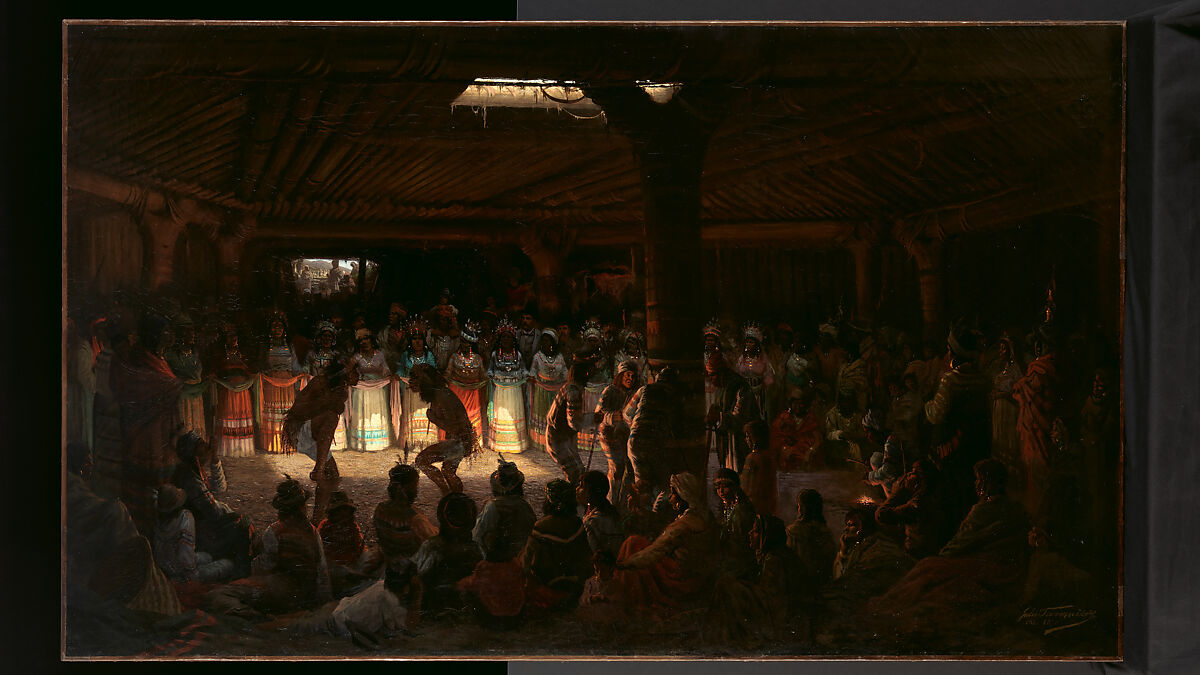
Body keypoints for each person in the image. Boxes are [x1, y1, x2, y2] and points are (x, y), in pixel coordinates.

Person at [207, 477, 331, 620]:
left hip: (282, 591)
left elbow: (263, 567)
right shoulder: (313, 532)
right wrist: (323, 603)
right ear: (302, 508)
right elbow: (322, 571)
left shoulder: (275, 531)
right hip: (307, 593)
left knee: (219, 595)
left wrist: (250, 560)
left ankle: (257, 618)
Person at [111, 309, 183, 534]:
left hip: (161, 433)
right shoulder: (138, 359)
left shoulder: (159, 359)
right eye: (165, 331)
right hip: (143, 435)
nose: (169, 336)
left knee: (163, 487)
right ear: (154, 335)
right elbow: (133, 385)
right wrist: (171, 386)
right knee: (144, 487)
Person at [612, 472, 717, 611]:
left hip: (680, 577)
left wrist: (625, 564)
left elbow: (654, 551)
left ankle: (626, 603)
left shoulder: (682, 525)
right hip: (694, 572)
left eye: (673, 494)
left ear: (683, 496)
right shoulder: (702, 516)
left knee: (633, 544)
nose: (670, 498)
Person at [702, 514, 805, 649]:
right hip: (771, 611)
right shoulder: (771, 556)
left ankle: (717, 636)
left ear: (767, 536)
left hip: (775, 619)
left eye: (756, 531)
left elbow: (771, 601)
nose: (750, 533)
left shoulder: (773, 560)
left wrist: (742, 589)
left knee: (726, 585)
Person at [925, 322, 992, 526]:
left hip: (953, 447)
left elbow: (935, 415)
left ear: (955, 352)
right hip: (978, 444)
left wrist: (927, 404)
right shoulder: (983, 379)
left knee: (952, 494)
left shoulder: (951, 380)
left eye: (949, 349)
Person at [283, 357, 356, 524]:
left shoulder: (340, 390)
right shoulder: (320, 383)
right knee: (331, 417)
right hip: (299, 430)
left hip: (312, 432)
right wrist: (326, 402)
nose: (357, 375)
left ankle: (317, 521)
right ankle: (319, 468)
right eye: (353, 371)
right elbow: (297, 410)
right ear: (343, 374)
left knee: (333, 475)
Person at [172, 432, 253, 576]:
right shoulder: (189, 477)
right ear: (193, 452)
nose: (207, 447)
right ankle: (241, 574)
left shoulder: (194, 469)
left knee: (240, 524)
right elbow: (212, 510)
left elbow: (220, 488)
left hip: (207, 521)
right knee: (242, 529)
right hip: (201, 531)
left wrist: (214, 457)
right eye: (202, 445)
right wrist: (234, 516)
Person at [1013, 323, 1064, 520]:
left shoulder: (1039, 372)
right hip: (1037, 431)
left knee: (1038, 476)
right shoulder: (1049, 368)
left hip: (1036, 433)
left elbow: (1021, 392)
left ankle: (1038, 521)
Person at [522, 480, 595, 612]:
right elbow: (585, 555)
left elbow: (526, 561)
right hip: (575, 583)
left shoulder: (541, 526)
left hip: (547, 583)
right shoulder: (576, 523)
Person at [411, 363, 480, 495]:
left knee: (422, 460)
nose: (413, 385)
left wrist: (435, 419)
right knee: (448, 471)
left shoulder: (442, 396)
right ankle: (454, 496)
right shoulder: (439, 394)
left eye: (416, 381)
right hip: (460, 440)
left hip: (460, 441)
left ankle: (448, 493)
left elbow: (455, 427)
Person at [413, 492, 484, 619]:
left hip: (434, 611)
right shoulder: (476, 549)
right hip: (463, 613)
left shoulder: (431, 547)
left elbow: (419, 575)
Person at [624, 367, 687, 503]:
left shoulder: (644, 389)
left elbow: (627, 413)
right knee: (664, 485)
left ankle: (640, 510)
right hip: (655, 444)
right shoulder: (675, 397)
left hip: (634, 442)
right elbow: (678, 425)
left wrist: (635, 427)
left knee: (642, 483)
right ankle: (655, 512)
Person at [153, 485, 237, 583]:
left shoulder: (158, 519)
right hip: (182, 571)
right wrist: (192, 574)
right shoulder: (185, 517)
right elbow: (185, 554)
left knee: (207, 556)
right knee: (228, 564)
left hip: (165, 565)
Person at [874, 459, 954, 559]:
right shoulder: (938, 492)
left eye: (914, 472)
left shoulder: (918, 503)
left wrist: (901, 491)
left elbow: (881, 515)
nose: (908, 475)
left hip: (920, 554)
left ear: (921, 479)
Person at [472, 460, 537, 565]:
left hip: (497, 561)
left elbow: (477, 536)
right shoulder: (524, 505)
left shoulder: (493, 506)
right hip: (520, 558)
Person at [373, 462, 438, 562]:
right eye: (415, 486)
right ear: (410, 488)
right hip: (408, 569)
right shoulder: (415, 519)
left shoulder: (380, 509)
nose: (417, 490)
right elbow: (434, 541)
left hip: (389, 562)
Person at [706, 351, 759, 472]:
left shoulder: (740, 386)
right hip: (729, 443)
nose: (711, 379)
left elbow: (740, 417)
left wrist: (718, 417)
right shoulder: (723, 388)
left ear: (722, 373)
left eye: (713, 375)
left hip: (741, 442)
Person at [257, 312, 302, 454]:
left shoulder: (290, 346)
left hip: (288, 384)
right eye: (274, 326)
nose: (277, 329)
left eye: (280, 326)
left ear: (284, 329)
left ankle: (288, 443)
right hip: (271, 383)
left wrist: (298, 378)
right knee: (273, 414)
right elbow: (261, 364)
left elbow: (296, 366)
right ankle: (273, 445)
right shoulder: (265, 347)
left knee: (287, 414)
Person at [596, 360, 640, 504]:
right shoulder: (610, 391)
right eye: (627, 375)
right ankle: (611, 501)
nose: (630, 379)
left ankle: (622, 502)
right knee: (616, 467)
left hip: (626, 435)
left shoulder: (635, 393)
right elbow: (598, 414)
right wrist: (613, 417)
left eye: (633, 376)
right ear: (620, 375)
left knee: (629, 468)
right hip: (609, 434)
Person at [301, 320, 348, 452]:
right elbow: (306, 369)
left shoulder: (336, 356)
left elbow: (342, 371)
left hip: (331, 389)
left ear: (333, 339)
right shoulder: (312, 355)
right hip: (316, 389)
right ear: (319, 338)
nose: (326, 339)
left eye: (329, 336)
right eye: (324, 336)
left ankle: (334, 442)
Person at [210, 325, 256, 458]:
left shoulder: (243, 356)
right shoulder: (221, 357)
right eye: (230, 337)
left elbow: (249, 372)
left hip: (242, 393)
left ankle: (242, 448)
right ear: (225, 340)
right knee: (229, 417)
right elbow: (215, 373)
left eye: (235, 337)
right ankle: (230, 448)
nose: (234, 339)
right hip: (228, 392)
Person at [784, 489, 837, 604]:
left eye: (799, 505)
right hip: (821, 589)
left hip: (800, 589)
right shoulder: (825, 532)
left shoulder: (793, 532)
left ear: (802, 508)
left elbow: (788, 563)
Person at [544, 359, 593, 485]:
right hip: (558, 437)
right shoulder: (573, 391)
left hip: (562, 436)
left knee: (578, 471)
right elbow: (573, 421)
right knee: (575, 473)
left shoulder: (570, 387)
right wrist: (593, 418)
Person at [91, 318, 124, 499]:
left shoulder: (103, 354)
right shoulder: (114, 358)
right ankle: (110, 492)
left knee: (104, 447)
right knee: (112, 448)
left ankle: (104, 488)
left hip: (101, 403)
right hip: (111, 405)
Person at [485, 317, 529, 454]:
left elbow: (524, 371)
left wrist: (529, 376)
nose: (506, 340)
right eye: (503, 337)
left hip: (514, 390)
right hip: (500, 391)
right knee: (501, 414)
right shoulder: (495, 355)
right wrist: (492, 376)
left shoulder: (518, 355)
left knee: (514, 415)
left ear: (513, 339)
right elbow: (490, 371)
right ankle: (500, 443)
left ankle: (515, 443)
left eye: (508, 337)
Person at [347, 328, 393, 452]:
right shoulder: (356, 357)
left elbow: (386, 370)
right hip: (361, 391)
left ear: (371, 340)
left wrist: (388, 375)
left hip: (377, 390)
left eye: (366, 338)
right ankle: (362, 444)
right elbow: (348, 370)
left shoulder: (380, 355)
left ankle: (377, 444)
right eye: (361, 340)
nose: (364, 342)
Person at [164, 314, 207, 442]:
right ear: (181, 334)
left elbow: (196, 373)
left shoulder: (194, 353)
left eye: (193, 331)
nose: (192, 335)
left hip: (195, 396)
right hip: (181, 396)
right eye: (189, 332)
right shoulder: (170, 354)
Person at [445, 320, 487, 441]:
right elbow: (448, 373)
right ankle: (456, 441)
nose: (465, 345)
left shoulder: (478, 359)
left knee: (471, 415)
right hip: (457, 391)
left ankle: (473, 442)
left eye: (468, 343)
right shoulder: (454, 357)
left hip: (473, 393)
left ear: (472, 344)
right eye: (463, 342)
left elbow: (483, 375)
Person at [714, 467, 759, 580]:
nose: (721, 491)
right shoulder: (726, 506)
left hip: (740, 558)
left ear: (735, 487)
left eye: (725, 486)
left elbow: (740, 538)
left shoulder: (742, 509)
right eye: (718, 487)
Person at [528, 328, 568, 447]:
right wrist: (532, 378)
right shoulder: (538, 357)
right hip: (542, 390)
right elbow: (533, 371)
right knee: (543, 415)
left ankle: (554, 441)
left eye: (548, 341)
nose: (545, 343)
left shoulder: (559, 357)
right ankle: (542, 442)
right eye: (543, 340)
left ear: (553, 343)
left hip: (556, 391)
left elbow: (564, 371)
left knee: (555, 416)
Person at [577, 470, 625, 558]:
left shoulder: (591, 522)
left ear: (590, 492)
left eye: (581, 486)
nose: (577, 489)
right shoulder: (612, 512)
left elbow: (594, 552)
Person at [734, 322, 775, 421]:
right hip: (744, 393)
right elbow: (736, 375)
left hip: (758, 394)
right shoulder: (741, 359)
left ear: (756, 344)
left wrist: (761, 386)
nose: (748, 345)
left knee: (757, 417)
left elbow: (769, 376)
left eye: (751, 342)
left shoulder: (763, 359)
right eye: (747, 342)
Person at [771, 394, 823, 472]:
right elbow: (775, 436)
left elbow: (818, 440)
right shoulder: (784, 418)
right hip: (788, 456)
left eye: (800, 403)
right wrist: (784, 449)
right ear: (791, 404)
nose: (798, 406)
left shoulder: (810, 419)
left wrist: (810, 451)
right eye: (795, 403)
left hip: (806, 456)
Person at [861, 410, 904, 500]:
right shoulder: (889, 439)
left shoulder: (891, 442)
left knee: (875, 459)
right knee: (875, 457)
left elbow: (888, 471)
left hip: (904, 482)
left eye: (868, 432)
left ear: (875, 430)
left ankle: (892, 500)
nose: (866, 436)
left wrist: (869, 477)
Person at [739, 420, 778, 518]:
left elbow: (747, 487)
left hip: (755, 507)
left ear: (755, 437)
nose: (746, 440)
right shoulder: (770, 456)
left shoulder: (752, 458)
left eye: (748, 436)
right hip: (769, 505)